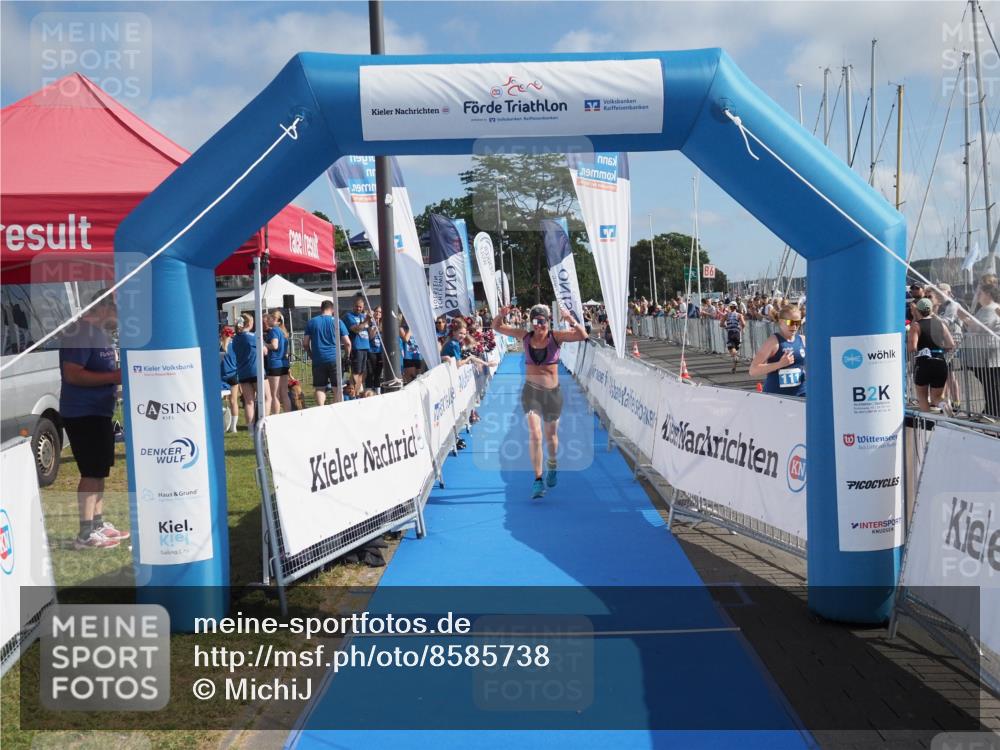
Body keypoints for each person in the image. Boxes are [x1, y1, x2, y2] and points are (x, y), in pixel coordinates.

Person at [492, 303, 588, 499]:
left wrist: (570, 320)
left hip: (552, 394)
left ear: (548, 321)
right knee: (535, 435)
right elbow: (497, 327)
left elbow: (582, 335)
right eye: (535, 322)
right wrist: (500, 315)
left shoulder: (556, 337)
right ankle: (537, 479)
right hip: (531, 393)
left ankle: (552, 464)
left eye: (542, 321)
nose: (538, 326)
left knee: (550, 437)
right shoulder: (525, 336)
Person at [59, 293, 129, 549]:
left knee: (99, 470)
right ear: (103, 307)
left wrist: (113, 379)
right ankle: (85, 533)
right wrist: (114, 377)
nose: (120, 318)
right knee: (90, 471)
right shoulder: (79, 332)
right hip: (82, 412)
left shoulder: (100, 334)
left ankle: (97, 524)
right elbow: (73, 375)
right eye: (117, 310)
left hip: (99, 411)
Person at [908, 297, 956, 413]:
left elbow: (912, 347)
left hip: (924, 363)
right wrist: (940, 349)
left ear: (918, 310)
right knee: (937, 398)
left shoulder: (916, 326)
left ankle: (928, 423)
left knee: (922, 397)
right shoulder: (941, 324)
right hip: (940, 362)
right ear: (931, 310)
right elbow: (951, 344)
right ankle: (945, 406)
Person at [961, 284, 1000, 419]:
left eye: (980, 293)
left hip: (990, 356)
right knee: (989, 384)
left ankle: (993, 411)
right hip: (986, 355)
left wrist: (963, 318)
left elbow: (980, 329)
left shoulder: (991, 309)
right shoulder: (985, 309)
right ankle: (991, 410)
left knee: (991, 384)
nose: (977, 295)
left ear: (988, 294)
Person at [749, 304, 806, 397]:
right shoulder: (774, 342)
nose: (795, 326)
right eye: (791, 322)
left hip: (801, 394)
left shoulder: (803, 340)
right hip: (778, 397)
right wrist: (780, 364)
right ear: (781, 322)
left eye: (798, 322)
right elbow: (753, 370)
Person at [303, 300, 351, 406]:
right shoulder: (337, 321)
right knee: (337, 388)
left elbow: (305, 344)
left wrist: (312, 355)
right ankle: (337, 409)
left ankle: (321, 409)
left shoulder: (312, 322)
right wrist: (347, 356)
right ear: (333, 309)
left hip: (318, 359)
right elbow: (347, 343)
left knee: (320, 388)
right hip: (335, 359)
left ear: (321, 309)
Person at [232, 312, 269, 424]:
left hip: (243, 372)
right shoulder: (253, 337)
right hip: (256, 370)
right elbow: (265, 351)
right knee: (267, 398)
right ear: (250, 323)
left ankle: (251, 429)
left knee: (249, 402)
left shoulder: (236, 339)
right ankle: (262, 425)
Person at [343, 296, 371, 395]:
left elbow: (369, 332)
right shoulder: (348, 316)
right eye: (356, 306)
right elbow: (356, 329)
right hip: (356, 347)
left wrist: (372, 319)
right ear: (353, 306)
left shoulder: (363, 317)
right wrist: (366, 320)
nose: (358, 308)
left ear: (363, 307)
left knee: (362, 372)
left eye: (360, 307)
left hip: (365, 347)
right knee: (356, 371)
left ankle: (357, 392)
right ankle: (353, 392)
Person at [265, 311, 291, 415]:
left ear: (277, 321)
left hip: (275, 364)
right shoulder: (283, 332)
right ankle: (288, 415)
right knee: (284, 393)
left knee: (274, 394)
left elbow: (274, 346)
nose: (268, 320)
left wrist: (264, 344)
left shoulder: (274, 331)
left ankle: (275, 417)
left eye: (271, 318)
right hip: (284, 364)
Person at [219, 325, 239, 432]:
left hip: (224, 376)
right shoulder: (235, 344)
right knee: (233, 401)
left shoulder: (220, 344)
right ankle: (232, 427)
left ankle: (232, 426)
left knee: (231, 401)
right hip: (231, 375)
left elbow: (223, 352)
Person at [720, 302, 746, 373]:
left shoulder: (726, 315)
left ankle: (735, 356)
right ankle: (734, 368)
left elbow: (721, 324)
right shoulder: (739, 315)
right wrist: (741, 328)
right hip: (737, 333)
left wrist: (727, 326)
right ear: (736, 307)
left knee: (731, 350)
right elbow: (743, 324)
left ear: (730, 307)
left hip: (730, 333)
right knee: (735, 350)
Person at [366, 306, 384, 391]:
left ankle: (378, 391)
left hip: (380, 352)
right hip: (371, 351)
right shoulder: (370, 323)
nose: (378, 313)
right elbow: (370, 337)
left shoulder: (384, 324)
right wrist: (376, 326)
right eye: (376, 311)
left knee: (378, 373)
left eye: (380, 312)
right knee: (370, 372)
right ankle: (368, 391)